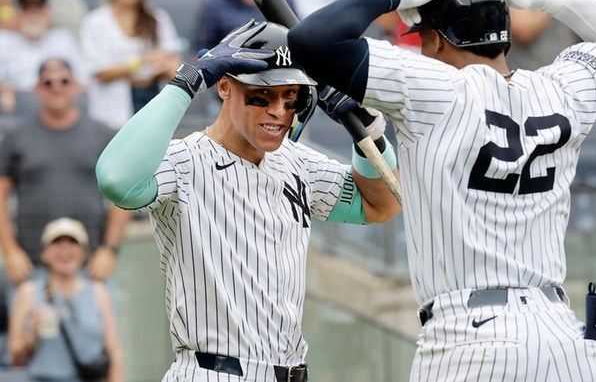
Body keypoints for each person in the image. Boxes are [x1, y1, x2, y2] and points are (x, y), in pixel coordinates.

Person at [288, 0, 596, 380]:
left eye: (424, 36)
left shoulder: (433, 86)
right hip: (562, 338)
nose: (422, 46)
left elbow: (311, 40)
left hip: (470, 337)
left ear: (440, 39)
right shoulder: (561, 88)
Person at [95, 20, 400, 382]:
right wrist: (187, 81)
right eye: (262, 95)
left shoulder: (296, 161)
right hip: (213, 371)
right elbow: (116, 180)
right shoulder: (185, 161)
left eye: (292, 98)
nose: (279, 111)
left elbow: (380, 205)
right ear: (224, 85)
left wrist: (368, 132)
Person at [0, 58, 131, 288]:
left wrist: (110, 250)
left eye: (64, 80)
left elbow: (123, 196)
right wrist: (10, 251)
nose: (56, 87)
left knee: (97, 325)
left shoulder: (103, 135)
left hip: (90, 268)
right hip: (31, 268)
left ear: (77, 86)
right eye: (48, 82)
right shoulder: (16, 137)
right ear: (36, 90)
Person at [7, 217, 123, 382]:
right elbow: (15, 358)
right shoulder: (28, 292)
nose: (65, 250)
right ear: (44, 253)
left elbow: (114, 351)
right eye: (57, 243)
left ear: (84, 252)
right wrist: (32, 336)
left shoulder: (99, 292)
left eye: (72, 243)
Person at [80, 0, 182, 129]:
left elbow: (173, 64)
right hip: (110, 113)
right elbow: (101, 71)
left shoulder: (158, 18)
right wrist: (144, 61)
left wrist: (162, 68)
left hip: (152, 101)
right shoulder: (95, 22)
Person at [0, 0, 81, 119]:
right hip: (17, 112)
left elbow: (82, 82)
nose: (34, 15)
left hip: (58, 105)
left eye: (38, 9)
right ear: (18, 12)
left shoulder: (63, 39)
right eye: (28, 9)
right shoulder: (4, 40)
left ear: (49, 12)